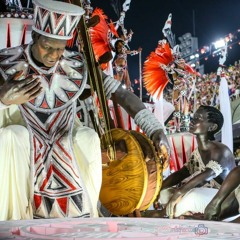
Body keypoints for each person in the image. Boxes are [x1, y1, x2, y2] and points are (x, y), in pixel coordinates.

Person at [0, 0, 169, 220]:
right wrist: (3, 100)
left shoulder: (76, 64)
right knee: (13, 135)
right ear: (35, 37)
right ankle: (11, 224)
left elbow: (121, 95)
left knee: (88, 137)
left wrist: (155, 129)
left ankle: (85, 219)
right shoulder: (6, 62)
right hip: (23, 143)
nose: (53, 55)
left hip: (64, 140)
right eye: (47, 46)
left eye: (59, 49)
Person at [148, 105, 236, 218]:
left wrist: (178, 194)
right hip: (212, 197)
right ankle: (175, 213)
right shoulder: (198, 152)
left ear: (212, 127)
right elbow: (181, 174)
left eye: (198, 118)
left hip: (229, 201)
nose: (192, 121)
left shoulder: (221, 151)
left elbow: (203, 178)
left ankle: (161, 215)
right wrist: (158, 188)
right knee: (165, 193)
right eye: (193, 117)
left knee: (192, 196)